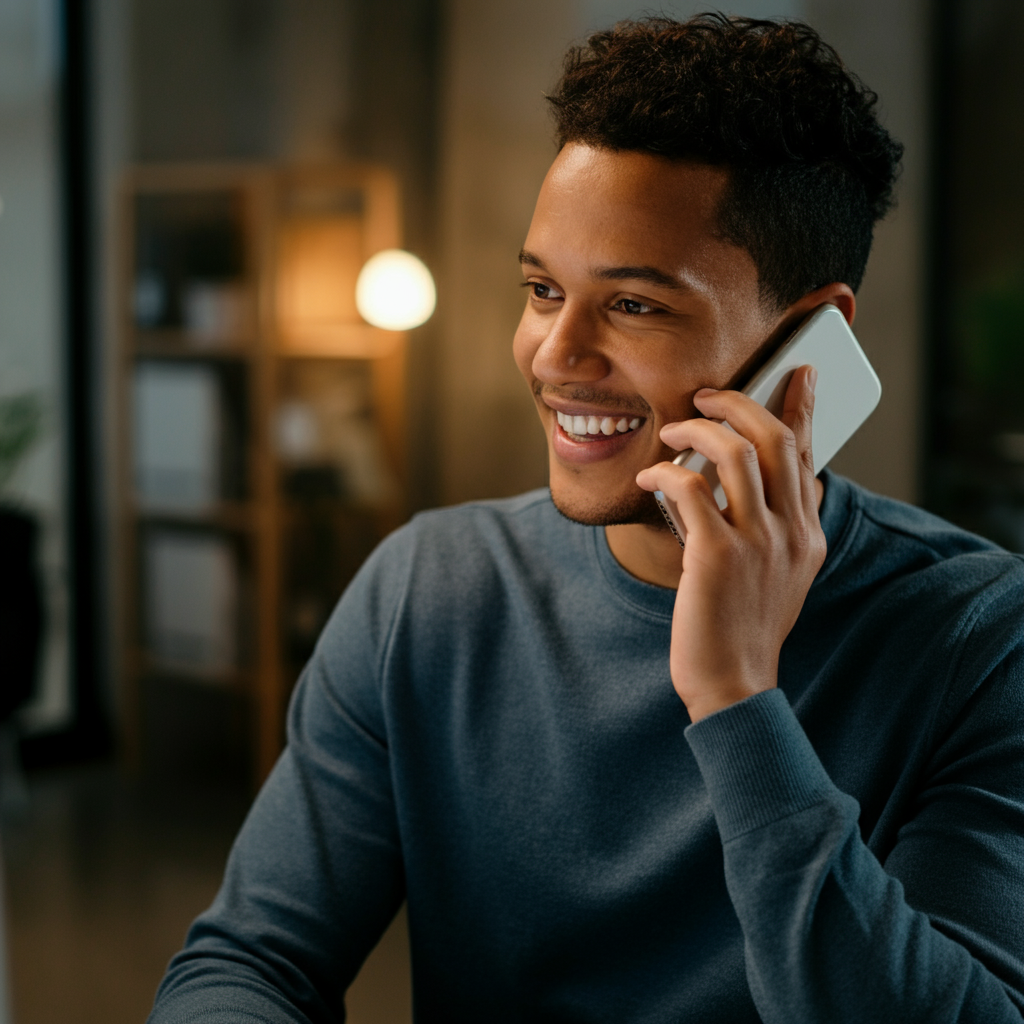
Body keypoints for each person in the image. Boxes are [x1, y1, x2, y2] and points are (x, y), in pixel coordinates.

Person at [149, 15, 1024, 1023]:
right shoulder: (427, 588)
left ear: (806, 339)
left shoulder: (980, 641)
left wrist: (739, 703)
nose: (554, 354)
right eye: (541, 290)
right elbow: (246, 964)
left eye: (634, 307)